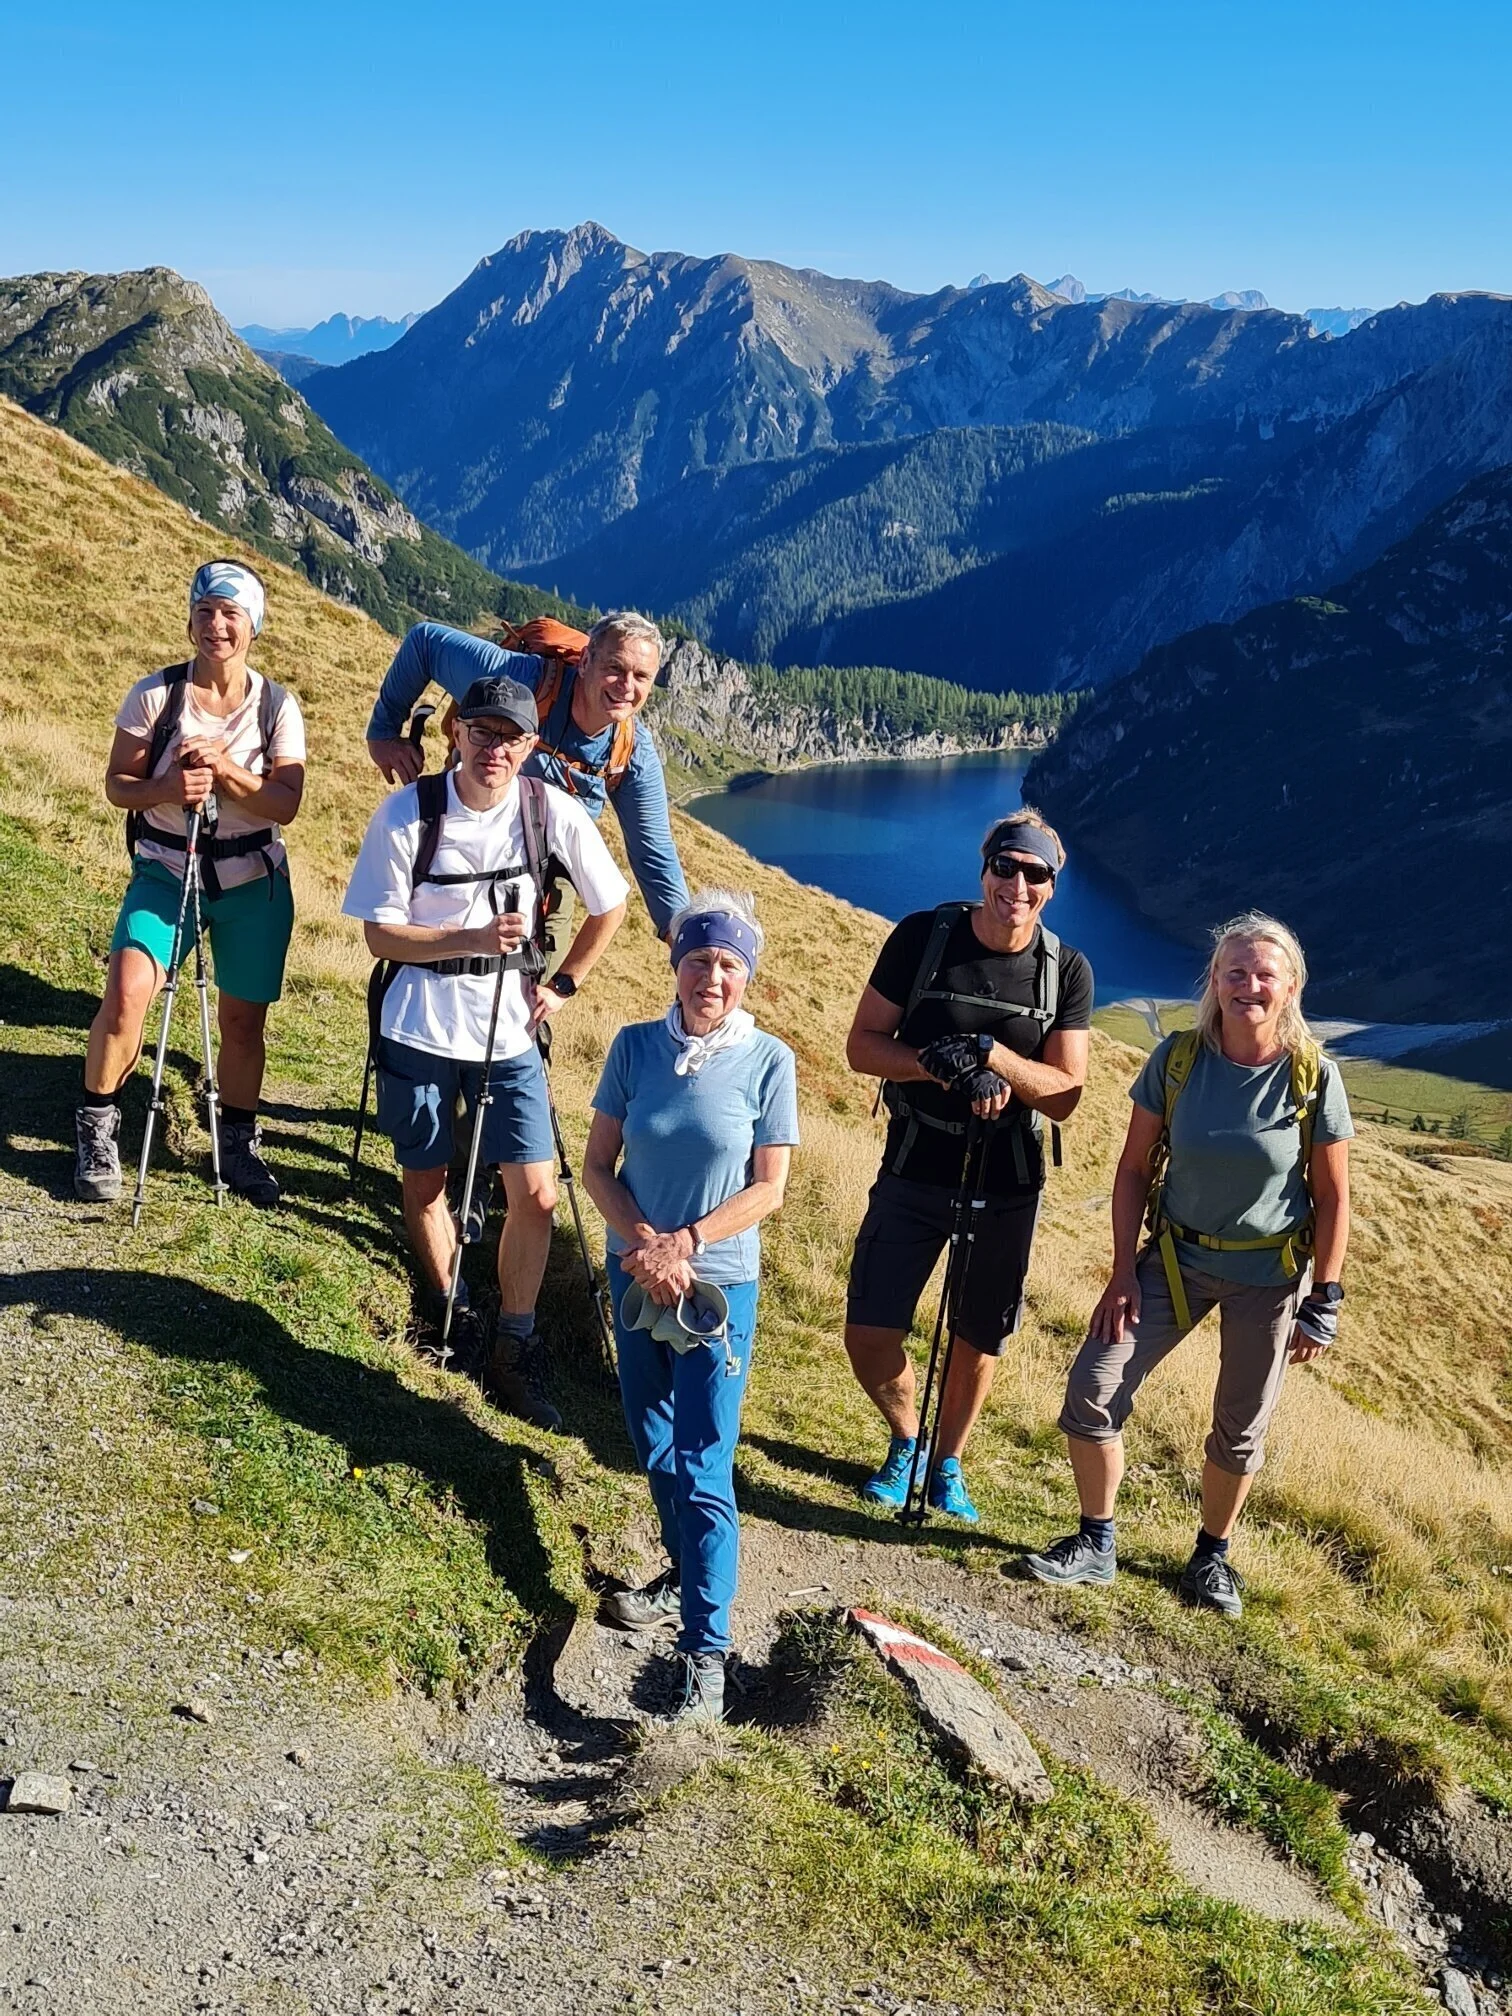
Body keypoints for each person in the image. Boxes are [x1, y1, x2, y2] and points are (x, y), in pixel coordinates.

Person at [1027, 912, 1352, 1619]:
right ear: (1214, 981)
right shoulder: (1178, 1060)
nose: (1249, 986)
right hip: (1172, 1262)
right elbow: (1133, 1169)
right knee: (1093, 1385)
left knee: (1240, 1428)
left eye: (1265, 974)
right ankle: (1096, 1542)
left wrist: (1324, 1299)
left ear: (1291, 986)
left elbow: (1332, 1196)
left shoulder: (1313, 1078)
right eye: (1235, 971)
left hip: (1270, 1282)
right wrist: (1120, 1272)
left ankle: (1211, 1558)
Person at [342, 672, 628, 1429]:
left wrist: (563, 985)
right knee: (427, 1177)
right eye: (482, 732)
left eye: (511, 737)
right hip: (420, 1025)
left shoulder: (547, 809)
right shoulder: (408, 812)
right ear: (457, 733)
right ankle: (450, 1312)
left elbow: (612, 904)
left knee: (533, 1193)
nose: (494, 749)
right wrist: (471, 939)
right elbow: (378, 933)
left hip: (509, 1034)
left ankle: (514, 1341)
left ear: (531, 745)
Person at [582, 889, 798, 1724]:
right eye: (700, 959)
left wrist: (686, 1244)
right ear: (677, 966)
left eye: (730, 965)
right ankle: (685, 1569)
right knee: (652, 1438)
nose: (713, 977)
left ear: (748, 977)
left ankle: (706, 1653)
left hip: (717, 1285)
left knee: (706, 1464)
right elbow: (599, 1163)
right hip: (633, 1273)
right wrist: (644, 1242)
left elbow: (770, 1189)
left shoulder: (769, 1061)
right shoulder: (634, 1048)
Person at [842, 810, 1092, 1522]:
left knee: (978, 1336)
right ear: (984, 870)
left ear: (1051, 885)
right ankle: (905, 1439)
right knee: (870, 1330)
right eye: (1005, 867)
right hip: (915, 1164)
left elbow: (1067, 1094)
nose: (1017, 884)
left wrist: (990, 1057)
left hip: (1006, 1181)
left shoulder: (1065, 971)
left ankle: (945, 1462)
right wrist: (935, 1066)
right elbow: (862, 1046)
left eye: (1035, 873)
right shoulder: (923, 939)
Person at [74, 560, 306, 1206]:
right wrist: (168, 789)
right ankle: (97, 1123)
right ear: (190, 621)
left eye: (231, 614)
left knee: (242, 1021)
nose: (217, 626)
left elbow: (286, 802)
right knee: (126, 994)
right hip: (166, 868)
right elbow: (118, 784)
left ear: (253, 627)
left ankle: (235, 1142)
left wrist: (227, 772)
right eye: (205, 612)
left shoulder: (278, 708)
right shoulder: (155, 696)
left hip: (251, 881)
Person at [364, 611, 689, 949]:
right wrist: (383, 733)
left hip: (544, 874)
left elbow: (654, 853)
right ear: (585, 661)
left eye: (641, 676)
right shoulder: (521, 682)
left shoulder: (632, 752)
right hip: (460, 836)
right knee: (438, 949)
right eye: (615, 669)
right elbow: (426, 642)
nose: (626, 687)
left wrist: (685, 938)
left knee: (535, 982)